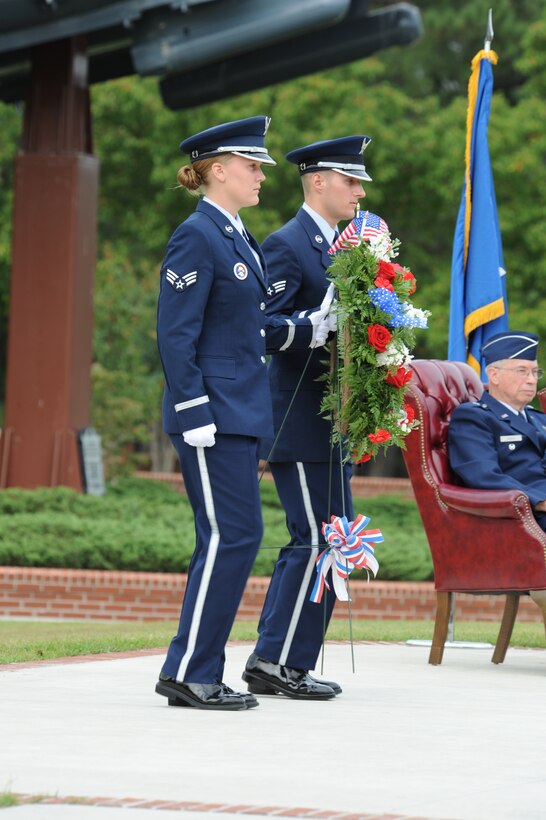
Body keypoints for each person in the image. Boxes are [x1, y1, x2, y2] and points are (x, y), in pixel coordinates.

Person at [155, 116, 335, 711]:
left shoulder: (236, 235)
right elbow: (176, 333)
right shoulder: (198, 235)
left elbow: (249, 328)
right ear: (219, 169)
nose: (261, 176)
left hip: (241, 412)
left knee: (236, 536)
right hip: (212, 413)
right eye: (253, 166)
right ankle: (190, 671)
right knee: (230, 536)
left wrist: (308, 328)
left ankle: (196, 668)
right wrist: (191, 405)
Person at [242, 136, 372, 701]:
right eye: (350, 180)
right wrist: (313, 326)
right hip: (296, 418)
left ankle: (289, 660)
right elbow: (260, 324)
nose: (359, 191)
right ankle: (275, 660)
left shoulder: (349, 247)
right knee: (316, 539)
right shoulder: (288, 244)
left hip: (332, 420)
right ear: (318, 181)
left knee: (333, 541)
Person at [448, 330, 546, 619]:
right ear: (494, 374)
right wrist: (540, 501)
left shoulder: (540, 420)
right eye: (522, 371)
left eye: (535, 372)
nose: (531, 379)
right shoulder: (474, 417)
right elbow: (482, 475)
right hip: (519, 520)